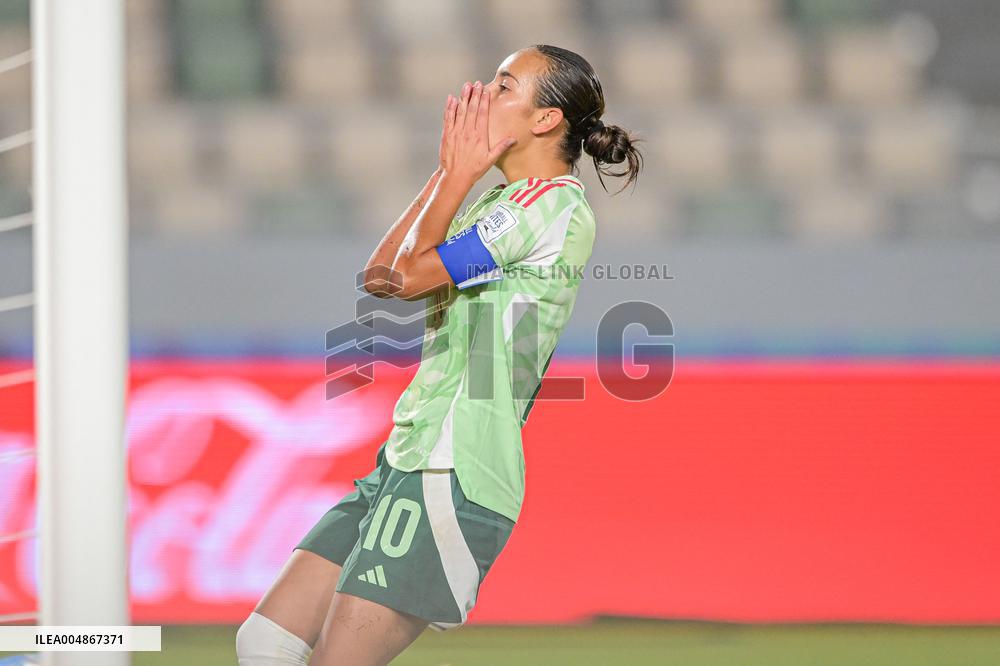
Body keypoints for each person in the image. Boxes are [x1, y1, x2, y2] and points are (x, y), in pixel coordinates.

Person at [236, 44, 642, 666]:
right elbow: (382, 275)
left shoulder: (547, 207)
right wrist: (449, 173)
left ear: (545, 120)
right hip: (409, 455)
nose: (483, 93)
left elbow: (412, 278)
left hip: (455, 466)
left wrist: (458, 173)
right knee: (265, 640)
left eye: (504, 86)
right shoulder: (496, 204)